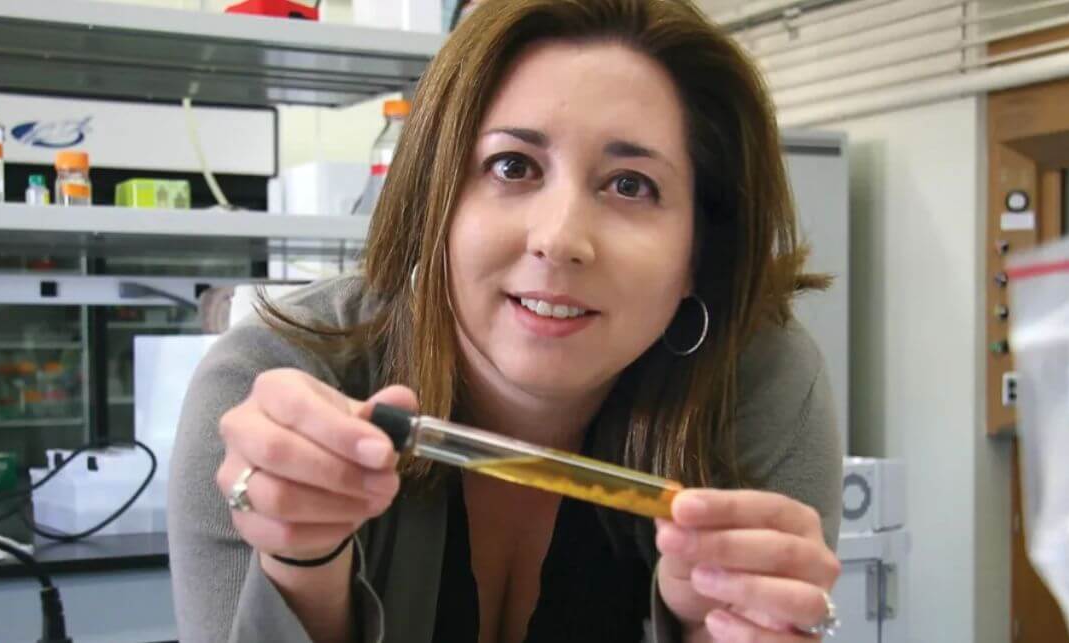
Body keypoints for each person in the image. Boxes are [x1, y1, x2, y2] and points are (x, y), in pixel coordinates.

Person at [168, 0, 844, 641]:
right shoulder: (271, 381)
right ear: (436, 199)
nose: (559, 239)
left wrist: (707, 628)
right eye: (512, 166)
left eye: (630, 184)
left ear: (700, 247)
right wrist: (303, 564)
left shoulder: (757, 382)